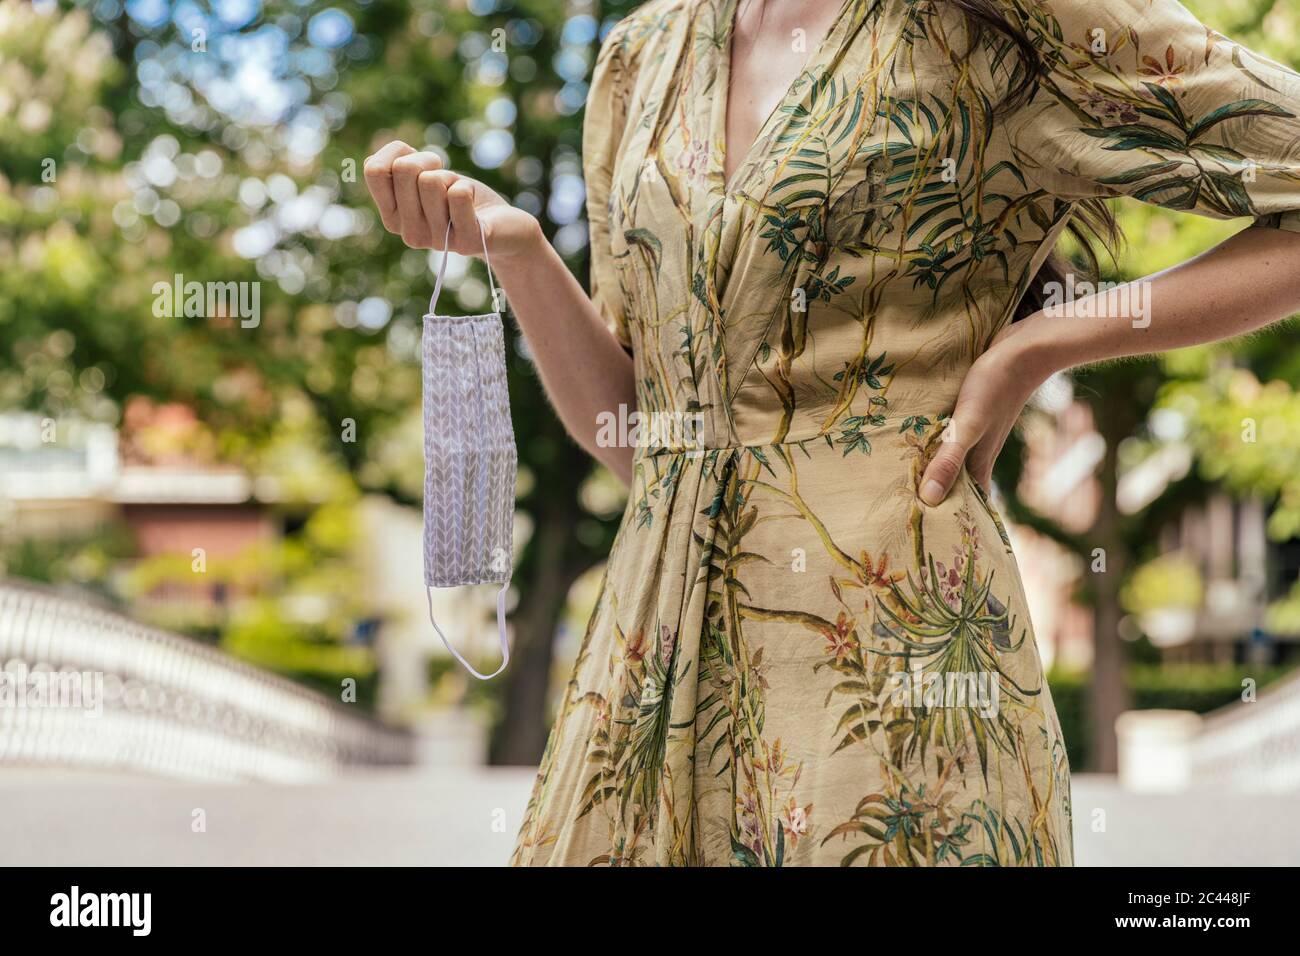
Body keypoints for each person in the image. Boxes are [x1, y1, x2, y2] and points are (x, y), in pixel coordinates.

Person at [364, 0, 1300, 866]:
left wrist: (1044, 342)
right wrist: (517, 251)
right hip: (646, 678)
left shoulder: (999, 18)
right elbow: (647, 440)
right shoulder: (637, 57)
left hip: (894, 671)